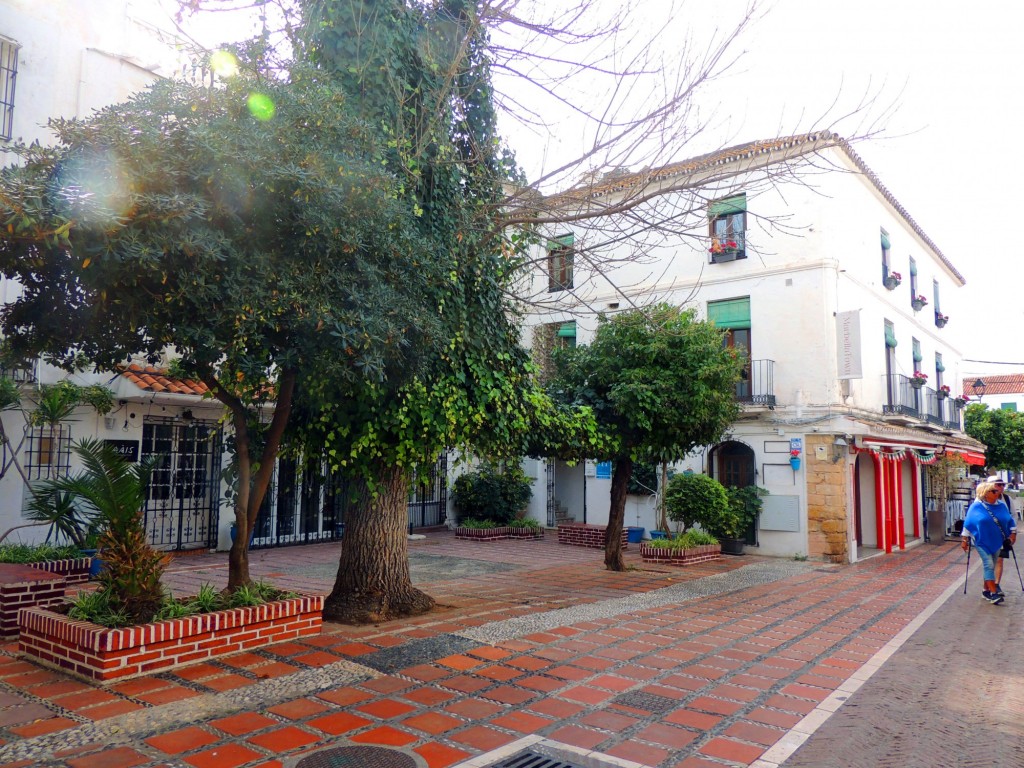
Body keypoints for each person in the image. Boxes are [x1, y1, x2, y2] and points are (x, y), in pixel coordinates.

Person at [962, 481, 1017, 604]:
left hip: (997, 540)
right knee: (989, 565)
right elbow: (968, 523)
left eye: (997, 490)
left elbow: (1010, 521)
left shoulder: (1002, 505)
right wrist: (964, 539)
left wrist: (1013, 534)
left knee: (991, 565)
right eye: (994, 491)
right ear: (985, 493)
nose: (997, 492)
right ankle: (993, 593)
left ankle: (985, 591)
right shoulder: (976, 506)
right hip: (981, 541)